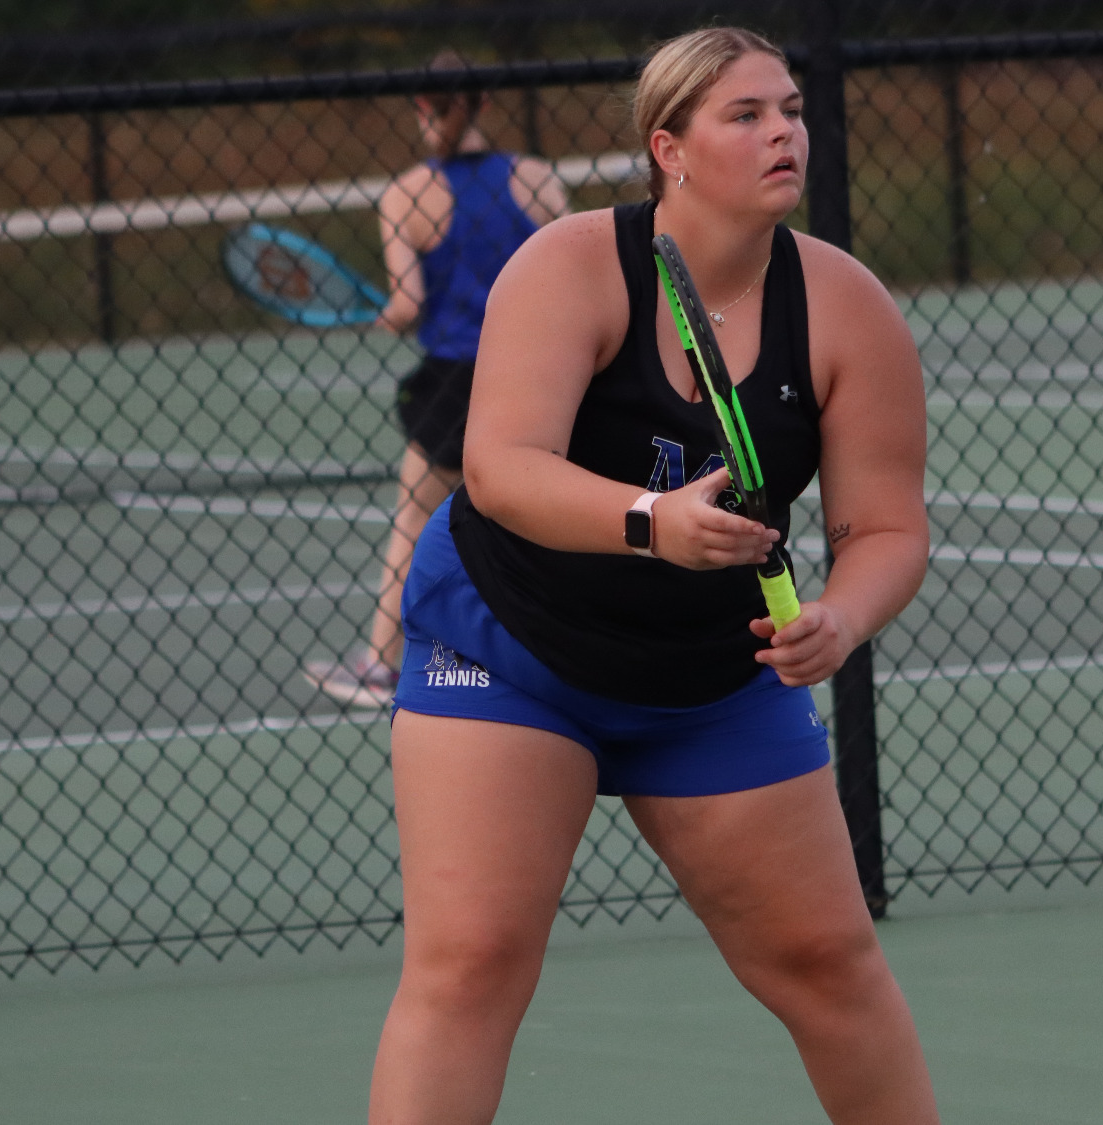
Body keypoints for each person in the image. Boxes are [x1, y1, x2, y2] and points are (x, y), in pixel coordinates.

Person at [368, 26, 938, 1125]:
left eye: (790, 109)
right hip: (509, 646)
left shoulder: (844, 307)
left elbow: (887, 527)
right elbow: (498, 468)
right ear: (668, 148)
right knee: (472, 963)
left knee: (826, 962)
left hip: (708, 676)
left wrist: (840, 617)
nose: (784, 132)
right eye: (746, 115)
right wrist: (646, 521)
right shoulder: (572, 264)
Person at [304, 50, 569, 708]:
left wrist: (375, 317)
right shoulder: (538, 178)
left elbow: (407, 304)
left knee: (418, 515)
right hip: (547, 370)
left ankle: (379, 664)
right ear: (483, 104)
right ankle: (567, 650)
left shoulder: (406, 193)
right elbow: (572, 277)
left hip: (458, 382)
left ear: (421, 108)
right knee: (553, 515)